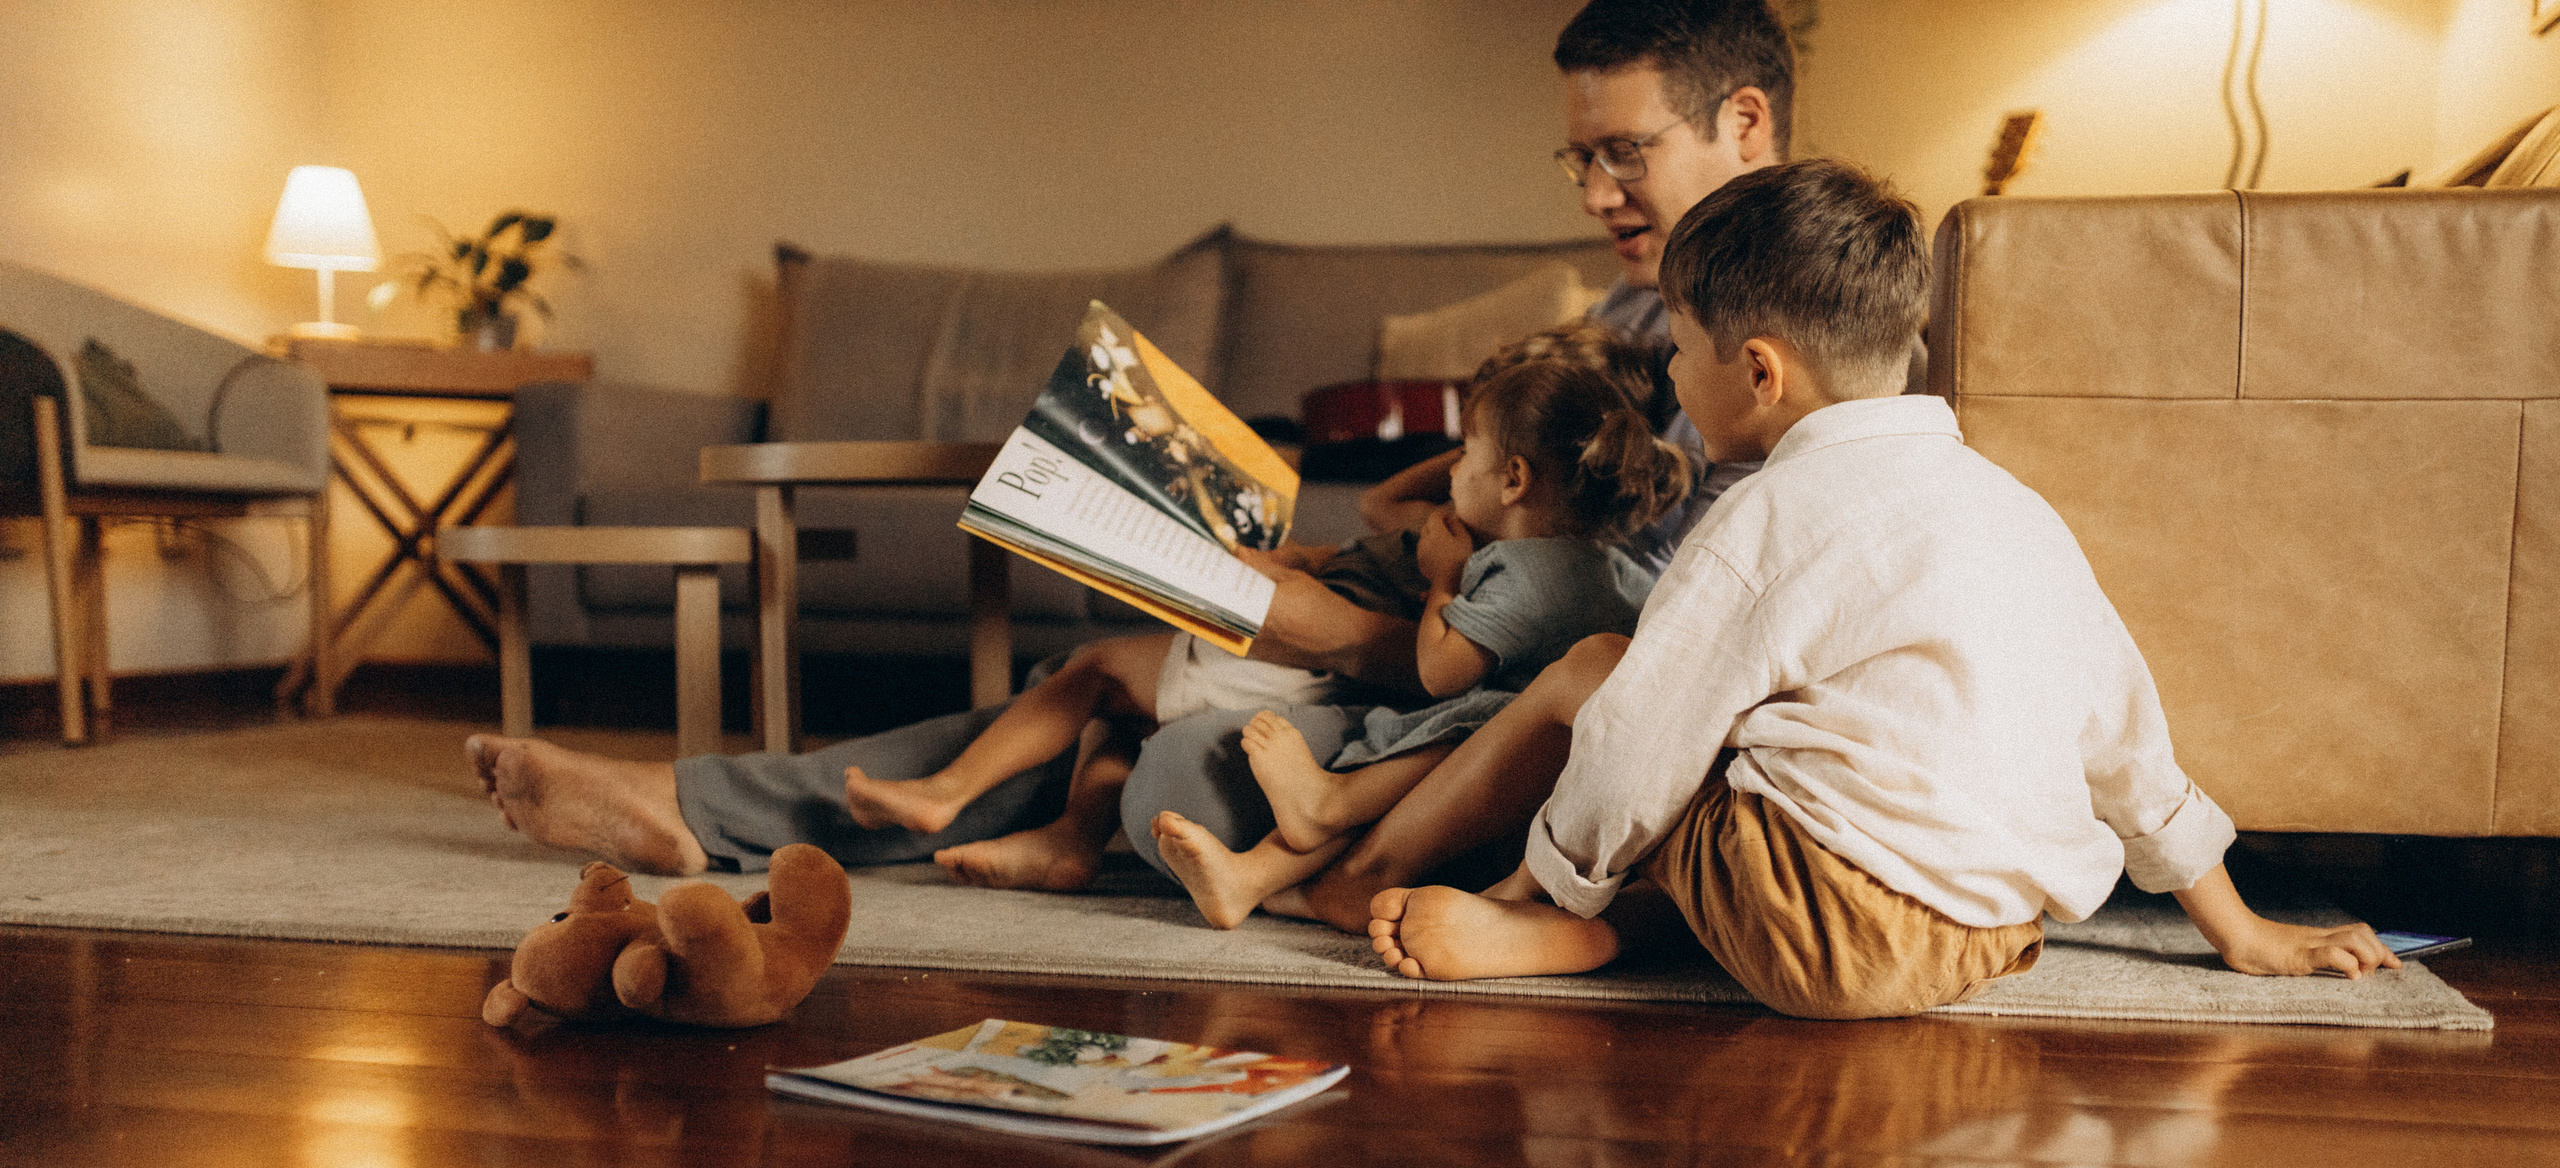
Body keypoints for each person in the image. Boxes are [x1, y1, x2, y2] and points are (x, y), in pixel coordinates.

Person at [467, 0, 1794, 885]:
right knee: (1118, 664)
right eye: (1577, 161)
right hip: (1442, 636)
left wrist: (1354, 633)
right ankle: (709, 806)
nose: (1596, 191)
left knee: (1166, 748)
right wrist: (1364, 556)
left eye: (1626, 150)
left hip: (1498, 708)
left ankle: (731, 810)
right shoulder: (1629, 302)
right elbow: (1534, 512)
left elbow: (1640, 633)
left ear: (1744, 122)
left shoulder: (1788, 337)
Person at [1365, 159, 2400, 1013]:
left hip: (1817, 928)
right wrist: (2242, 930)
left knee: (1612, 676)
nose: (1672, 381)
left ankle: (1550, 933)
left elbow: (1636, 747)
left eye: (1679, 351)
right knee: (1768, 733)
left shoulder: (1759, 518)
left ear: (1760, 372)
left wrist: (1536, 888)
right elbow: (2125, 740)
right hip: (1986, 935)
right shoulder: (2014, 510)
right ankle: (1604, 933)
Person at [1151, 358, 1688, 927]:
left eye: (1465, 456)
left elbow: (1439, 673)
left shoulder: (1521, 574)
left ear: (1514, 480)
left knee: (1421, 749)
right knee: (1418, 756)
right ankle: (1253, 875)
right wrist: (1485, 454)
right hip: (1546, 756)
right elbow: (1382, 506)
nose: (1454, 472)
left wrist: (1443, 579)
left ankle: (1322, 809)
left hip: (1524, 762)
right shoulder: (1603, 565)